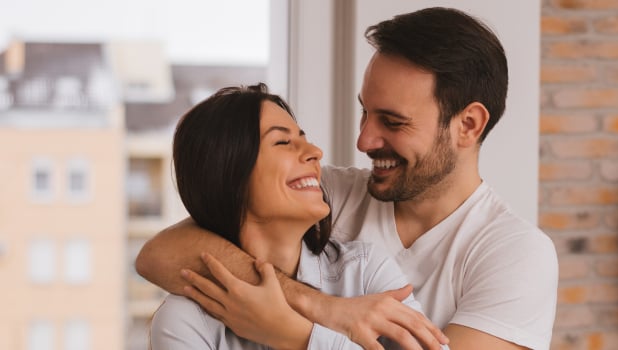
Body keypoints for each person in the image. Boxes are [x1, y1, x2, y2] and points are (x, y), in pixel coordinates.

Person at [137, 7, 558, 350]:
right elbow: (161, 253)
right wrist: (319, 307)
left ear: (468, 125)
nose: (363, 140)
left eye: (393, 121)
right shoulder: (324, 197)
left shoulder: (515, 255)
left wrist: (294, 333)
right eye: (365, 112)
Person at [150, 83, 438, 349]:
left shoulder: (363, 270)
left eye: (303, 138)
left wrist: (295, 335)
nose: (315, 152)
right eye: (282, 142)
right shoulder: (184, 321)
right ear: (227, 174)